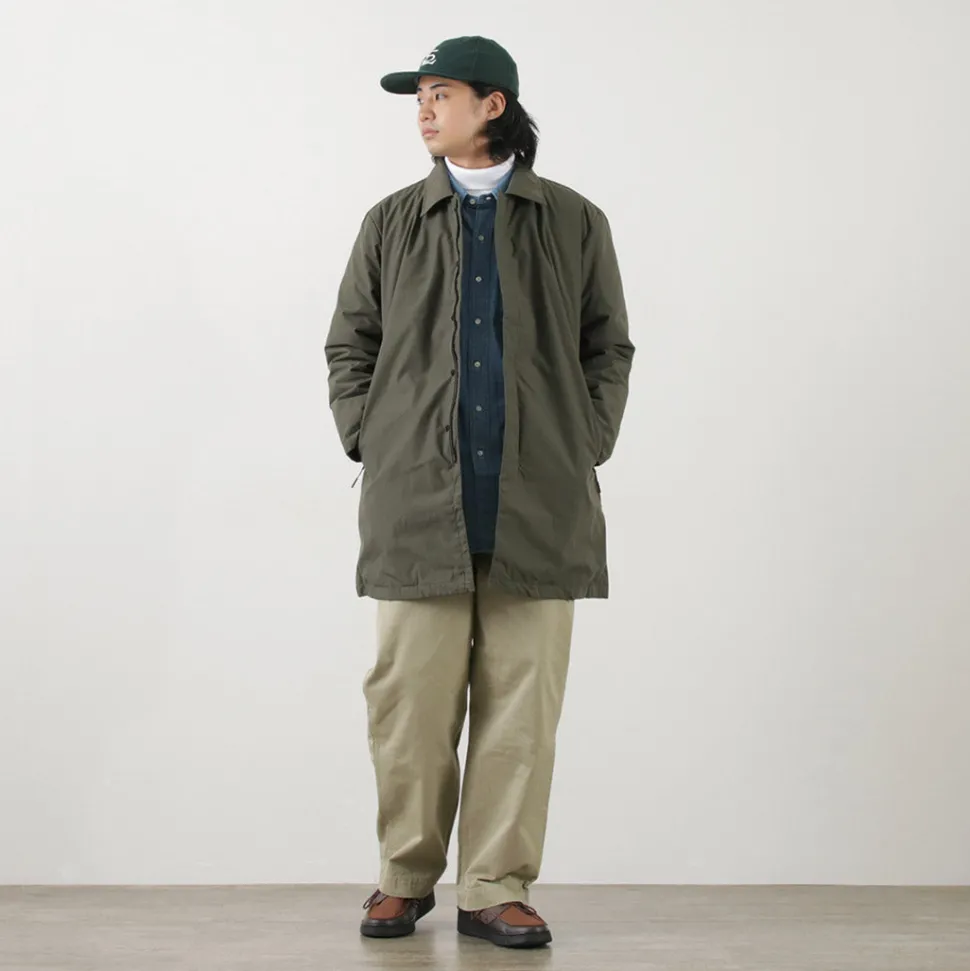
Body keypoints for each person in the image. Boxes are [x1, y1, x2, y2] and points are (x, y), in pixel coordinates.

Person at [325, 35, 634, 949]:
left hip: (539, 505)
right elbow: (350, 342)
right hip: (417, 504)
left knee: (520, 713)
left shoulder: (573, 221)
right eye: (418, 97)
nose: (423, 110)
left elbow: (607, 346)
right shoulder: (392, 221)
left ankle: (496, 885)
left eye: (440, 93)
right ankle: (404, 876)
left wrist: (585, 441)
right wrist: (371, 436)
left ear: (493, 105)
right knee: (408, 707)